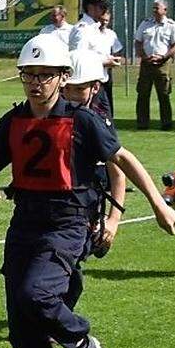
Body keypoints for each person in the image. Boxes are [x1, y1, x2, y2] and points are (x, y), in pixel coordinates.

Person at [0, 34, 175, 348]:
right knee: (19, 328)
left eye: (45, 75)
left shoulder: (82, 120)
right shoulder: (13, 120)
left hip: (67, 224)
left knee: (38, 295)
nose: (36, 83)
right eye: (29, 75)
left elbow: (124, 161)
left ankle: (82, 342)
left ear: (63, 77)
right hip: (24, 223)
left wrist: (159, 206)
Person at [63, 49, 126, 258]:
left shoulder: (99, 125)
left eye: (79, 89)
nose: (71, 96)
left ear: (95, 87)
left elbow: (118, 173)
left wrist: (113, 220)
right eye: (67, 88)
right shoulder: (49, 118)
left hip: (87, 208)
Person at [68, 0, 122, 118]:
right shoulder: (83, 29)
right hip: (88, 85)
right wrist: (104, 62)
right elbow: (78, 59)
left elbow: (94, 54)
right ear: (91, 8)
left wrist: (108, 59)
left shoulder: (94, 27)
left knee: (106, 122)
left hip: (99, 82)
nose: (105, 10)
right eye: (102, 7)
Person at [133, 0, 175, 130]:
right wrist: (144, 56)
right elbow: (138, 41)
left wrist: (163, 57)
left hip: (163, 64)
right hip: (146, 63)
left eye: (157, 8)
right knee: (143, 93)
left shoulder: (172, 25)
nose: (154, 10)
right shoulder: (145, 24)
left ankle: (166, 123)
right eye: (153, 8)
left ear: (165, 10)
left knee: (164, 94)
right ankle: (142, 123)